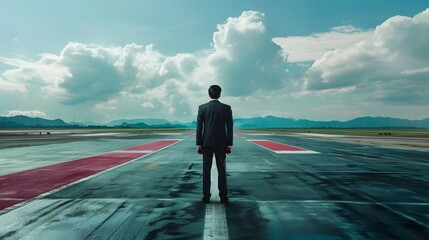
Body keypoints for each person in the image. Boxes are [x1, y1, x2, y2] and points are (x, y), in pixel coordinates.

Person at [196, 85, 233, 204]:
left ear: (209, 94)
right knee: (222, 170)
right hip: (221, 143)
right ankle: (223, 196)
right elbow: (230, 127)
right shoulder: (226, 108)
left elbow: (199, 127)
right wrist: (229, 143)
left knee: (206, 170)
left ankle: (206, 196)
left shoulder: (202, 108)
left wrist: (199, 143)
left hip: (206, 143)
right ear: (220, 94)